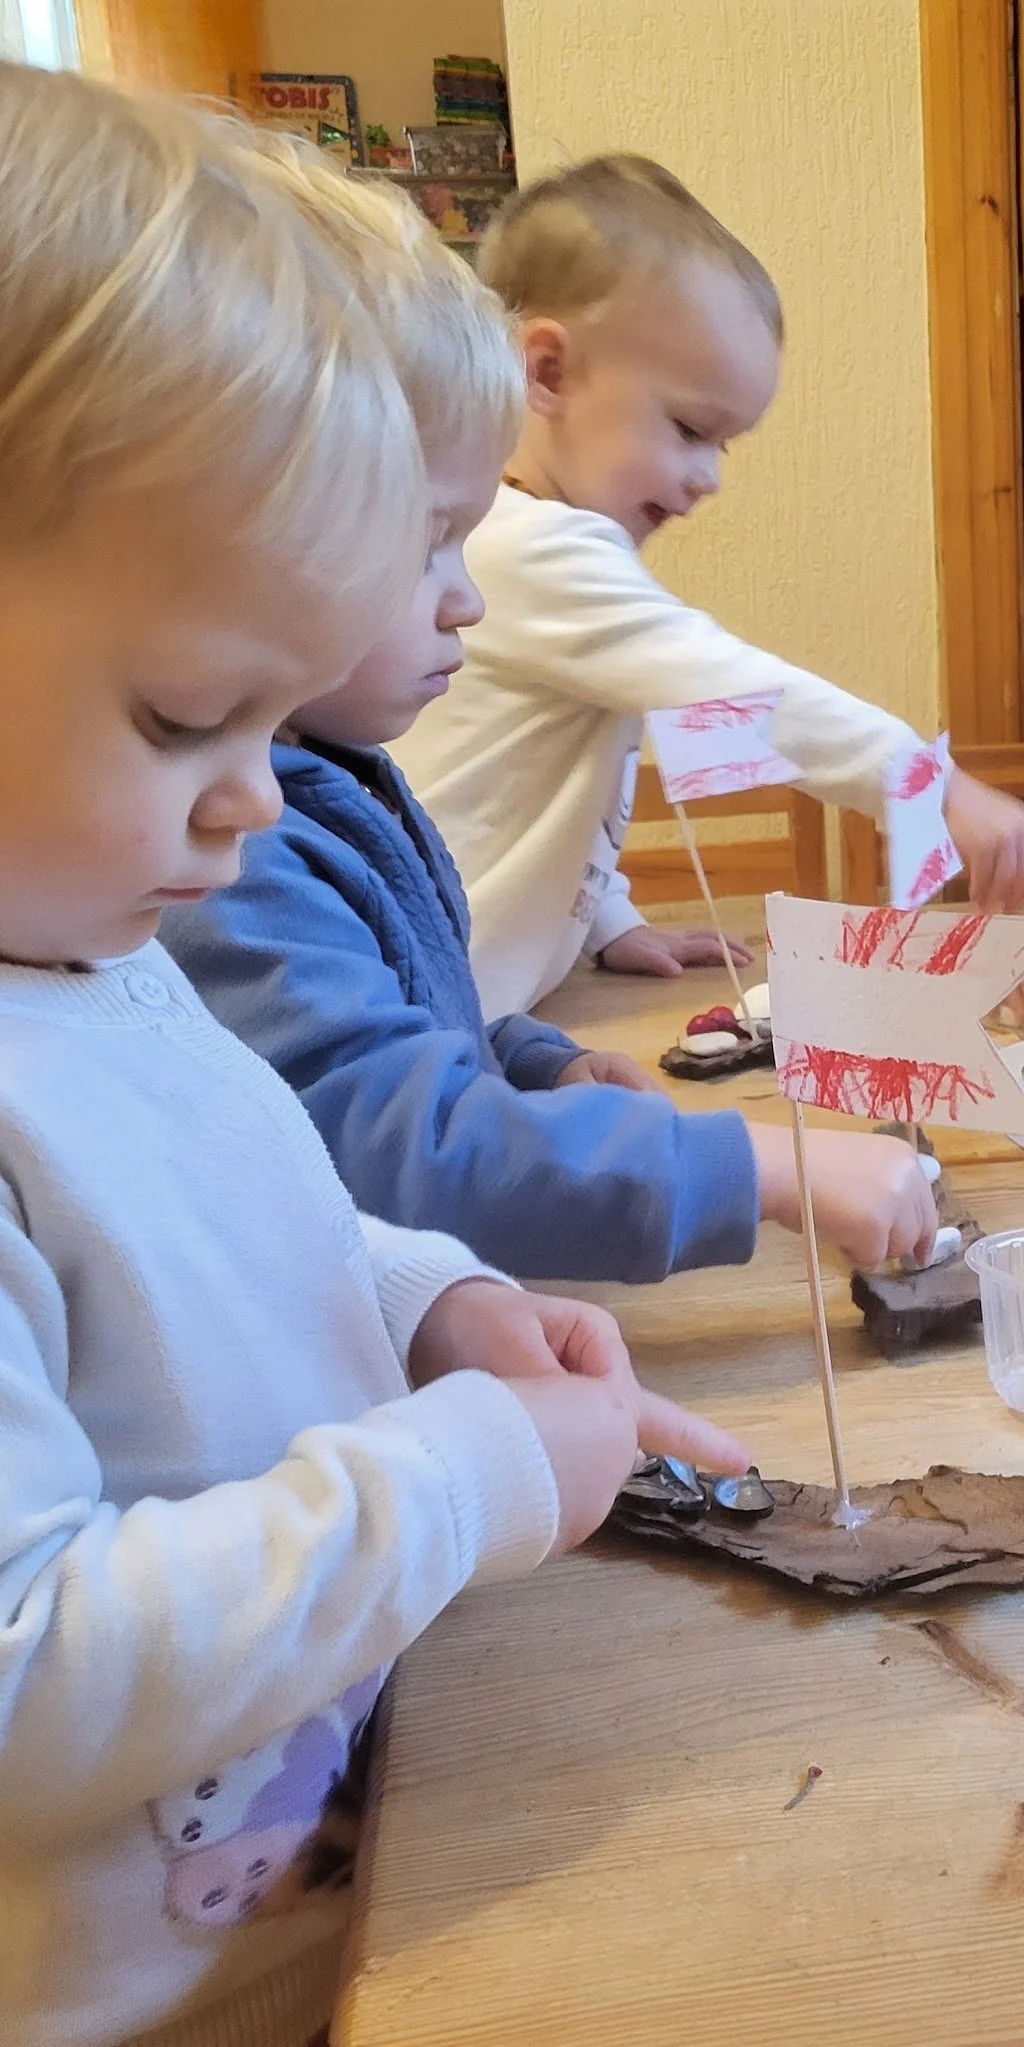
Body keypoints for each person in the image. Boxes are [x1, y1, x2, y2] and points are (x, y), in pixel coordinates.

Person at [0, 69, 743, 2047]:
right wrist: (471, 1471)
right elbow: (27, 1672)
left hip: (357, 1912)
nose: (255, 808)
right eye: (183, 716)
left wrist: (434, 1306)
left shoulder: (91, 939)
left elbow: (255, 1214)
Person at [162, 145, 939, 1285]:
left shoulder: (335, 773)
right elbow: (401, 1141)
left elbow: (416, 999)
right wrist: (761, 1167)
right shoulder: (235, 849)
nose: (466, 596)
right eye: (427, 543)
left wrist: (528, 1055)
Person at [388, 154, 1024, 1021]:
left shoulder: (522, 545)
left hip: (490, 1007)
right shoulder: (531, 549)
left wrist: (606, 921)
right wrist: (927, 784)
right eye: (691, 429)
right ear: (545, 371)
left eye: (722, 444)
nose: (707, 479)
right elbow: (736, 692)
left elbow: (536, 785)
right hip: (429, 1022)